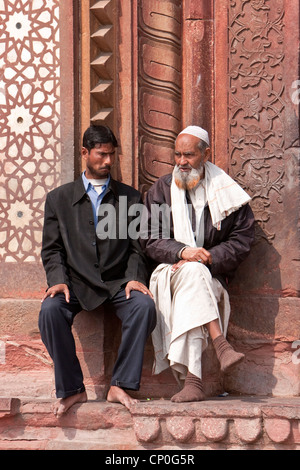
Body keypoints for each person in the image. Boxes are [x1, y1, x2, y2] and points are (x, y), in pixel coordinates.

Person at [39, 125, 156, 416]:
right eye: (101, 155)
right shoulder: (58, 199)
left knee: (143, 306)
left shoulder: (130, 198)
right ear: (84, 153)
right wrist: (58, 281)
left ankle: (120, 385)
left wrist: (134, 278)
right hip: (75, 283)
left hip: (118, 282)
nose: (107, 161)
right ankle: (72, 389)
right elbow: (52, 249)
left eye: (111, 155)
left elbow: (136, 247)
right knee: (50, 311)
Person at [140, 125, 255, 402]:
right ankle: (220, 343)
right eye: (177, 155)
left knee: (195, 274)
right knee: (191, 270)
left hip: (208, 273)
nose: (182, 162)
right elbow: (149, 237)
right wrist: (182, 252)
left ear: (205, 153)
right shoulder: (162, 189)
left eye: (189, 155)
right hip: (170, 271)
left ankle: (193, 382)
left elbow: (242, 238)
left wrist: (210, 257)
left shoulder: (226, 190)